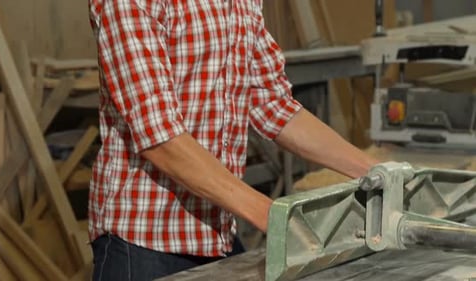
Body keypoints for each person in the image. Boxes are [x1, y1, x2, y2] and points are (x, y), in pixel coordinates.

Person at [87, 0, 378, 280]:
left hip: (217, 234)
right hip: (143, 242)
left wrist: (378, 172)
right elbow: (160, 138)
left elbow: (272, 104)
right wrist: (273, 216)